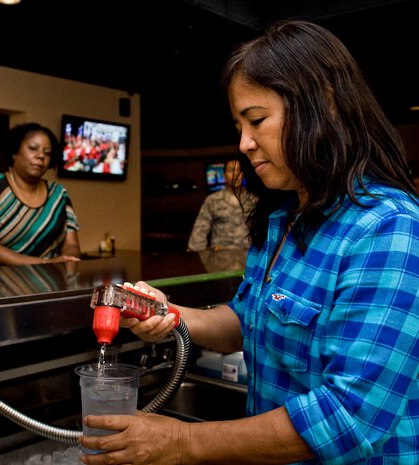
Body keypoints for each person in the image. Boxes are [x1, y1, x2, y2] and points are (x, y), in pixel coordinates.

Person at [79, 20, 419, 465]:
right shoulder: (285, 218)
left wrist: (181, 442)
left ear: (325, 105)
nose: (245, 143)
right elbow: (246, 321)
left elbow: (348, 418)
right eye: (240, 124)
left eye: (257, 120)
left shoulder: (389, 228)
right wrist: (167, 313)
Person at [0, 122, 82, 266]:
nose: (41, 156)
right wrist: (46, 263)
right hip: (0, 284)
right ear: (14, 151)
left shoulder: (58, 193)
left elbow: (72, 245)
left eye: (47, 153)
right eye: (33, 148)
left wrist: (68, 258)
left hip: (52, 283)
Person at [187, 158, 254, 251]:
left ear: (243, 174)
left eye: (238, 170)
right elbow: (201, 228)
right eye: (231, 170)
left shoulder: (253, 200)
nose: (235, 174)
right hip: (221, 254)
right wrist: (197, 253)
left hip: (248, 254)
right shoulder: (213, 200)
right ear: (224, 175)